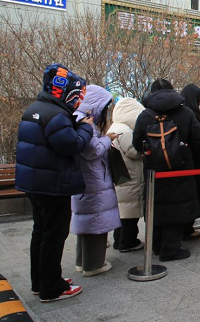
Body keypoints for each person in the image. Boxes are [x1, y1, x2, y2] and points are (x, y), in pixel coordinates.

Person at [16, 64, 91, 302]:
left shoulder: (34, 109)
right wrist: (85, 128)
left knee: (40, 231)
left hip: (34, 182)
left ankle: (40, 281)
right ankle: (52, 287)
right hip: (53, 184)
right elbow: (72, 144)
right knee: (54, 235)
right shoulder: (56, 115)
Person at [133, 79, 200, 262]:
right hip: (181, 169)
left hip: (154, 171)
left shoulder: (145, 115)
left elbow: (137, 143)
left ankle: (157, 245)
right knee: (178, 206)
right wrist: (186, 155)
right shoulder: (186, 113)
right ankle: (171, 249)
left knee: (156, 206)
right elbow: (198, 139)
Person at [72, 85, 121, 277]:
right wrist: (108, 139)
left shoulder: (77, 119)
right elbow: (94, 150)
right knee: (97, 221)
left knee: (86, 221)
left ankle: (82, 261)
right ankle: (93, 265)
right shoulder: (86, 123)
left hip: (86, 179)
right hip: (94, 179)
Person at [108, 98, 146, 253]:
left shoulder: (115, 126)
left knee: (123, 212)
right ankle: (128, 242)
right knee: (130, 213)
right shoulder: (126, 131)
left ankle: (119, 241)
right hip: (131, 177)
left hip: (122, 176)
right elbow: (134, 152)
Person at [180, 84, 200, 239]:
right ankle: (187, 228)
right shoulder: (190, 114)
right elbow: (199, 139)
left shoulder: (179, 112)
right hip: (192, 161)